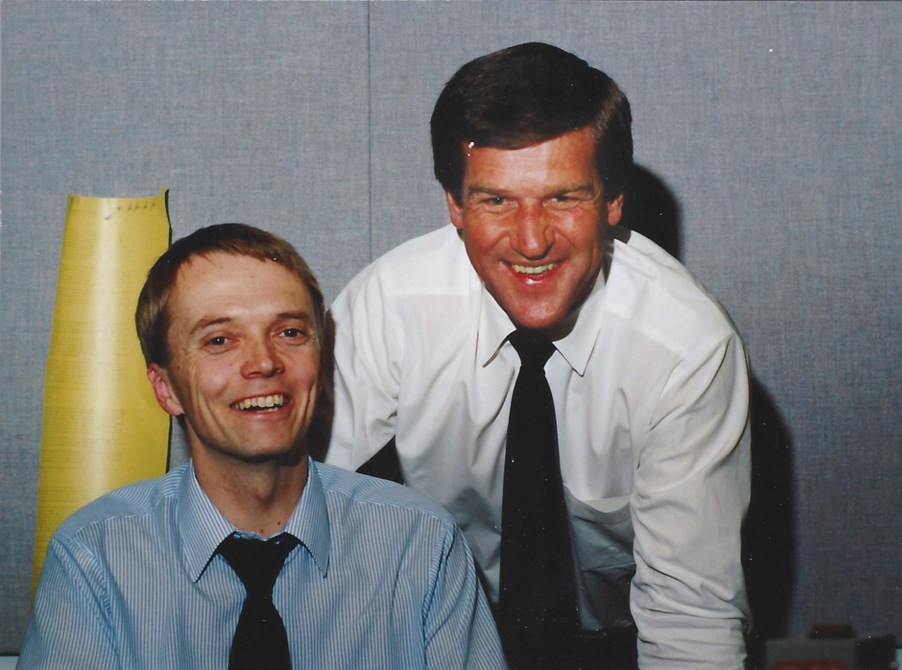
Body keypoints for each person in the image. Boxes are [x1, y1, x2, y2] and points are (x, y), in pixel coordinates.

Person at [325, 42, 751, 669]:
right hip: (438, 636)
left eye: (563, 198)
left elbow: (690, 620)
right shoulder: (389, 308)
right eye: (496, 200)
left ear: (612, 201)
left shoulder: (685, 348)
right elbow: (293, 519)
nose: (531, 241)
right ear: (453, 206)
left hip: (614, 645)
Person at [19, 223, 506, 669]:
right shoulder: (94, 560)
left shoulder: (420, 546)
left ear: (322, 359)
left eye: (289, 332)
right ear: (165, 387)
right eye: (219, 340)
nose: (264, 363)